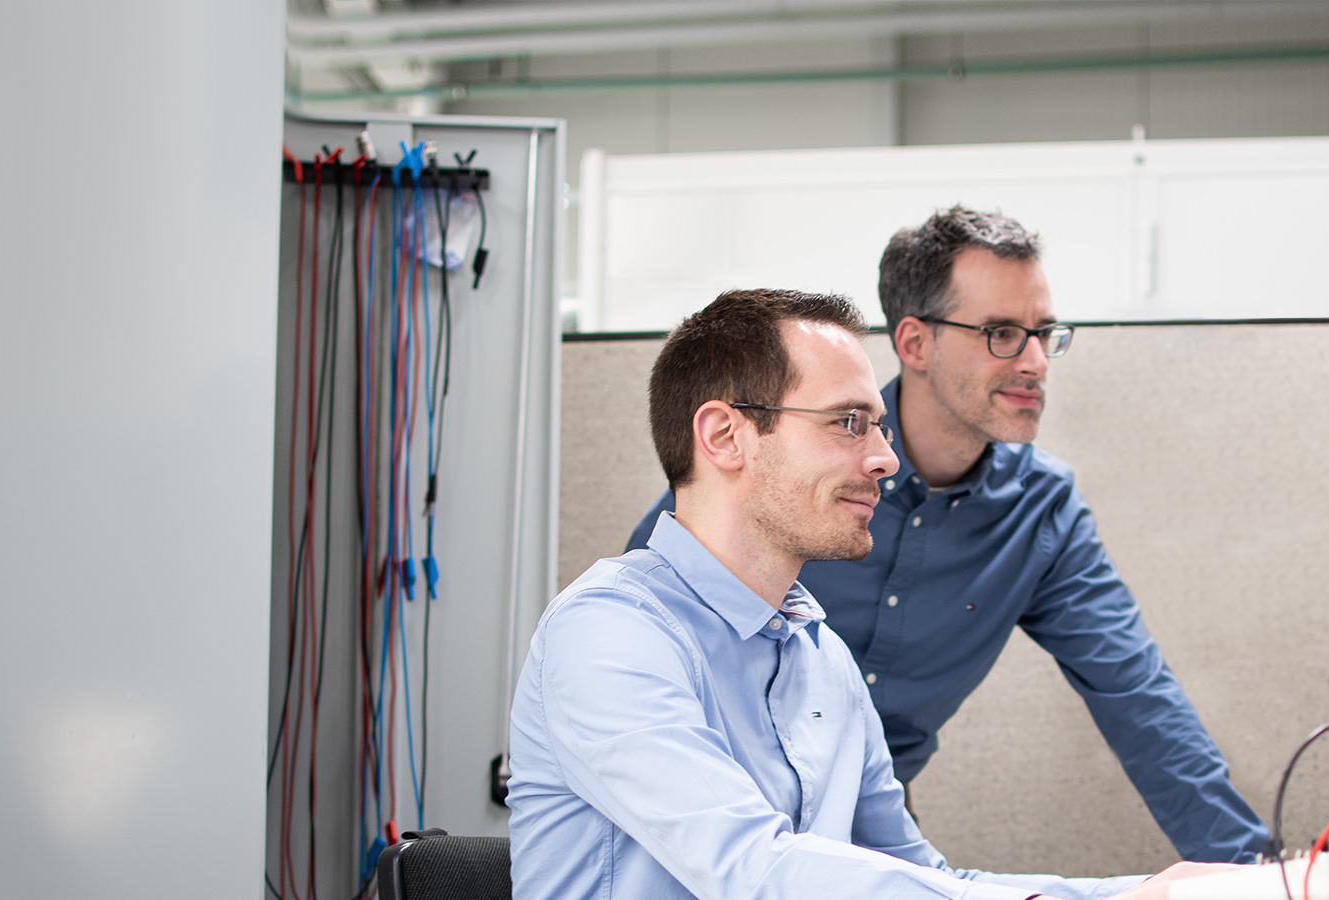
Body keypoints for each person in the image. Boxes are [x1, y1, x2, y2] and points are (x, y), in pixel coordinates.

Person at [508, 289, 1216, 900]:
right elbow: (754, 872)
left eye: (877, 425)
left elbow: (919, 876)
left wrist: (1154, 889)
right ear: (725, 436)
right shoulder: (610, 635)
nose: (884, 457)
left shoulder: (822, 660)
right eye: (848, 423)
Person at [628, 209, 1271, 863]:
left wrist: (1255, 875)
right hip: (715, 812)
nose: (1035, 361)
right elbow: (644, 633)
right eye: (1001, 333)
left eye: (1044, 334)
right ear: (913, 344)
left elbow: (1139, 699)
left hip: (872, 820)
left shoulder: (1041, 513)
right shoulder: (783, 466)